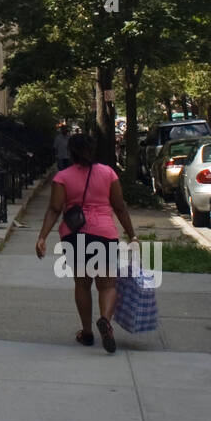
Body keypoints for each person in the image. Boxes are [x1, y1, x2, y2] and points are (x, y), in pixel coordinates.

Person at [35, 133, 137, 353]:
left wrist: (42, 236)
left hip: (75, 234)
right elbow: (119, 207)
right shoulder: (108, 173)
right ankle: (105, 322)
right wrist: (132, 235)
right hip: (104, 233)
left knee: (82, 284)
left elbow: (54, 208)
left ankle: (87, 332)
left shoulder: (62, 177)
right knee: (108, 285)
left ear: (71, 152)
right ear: (93, 150)